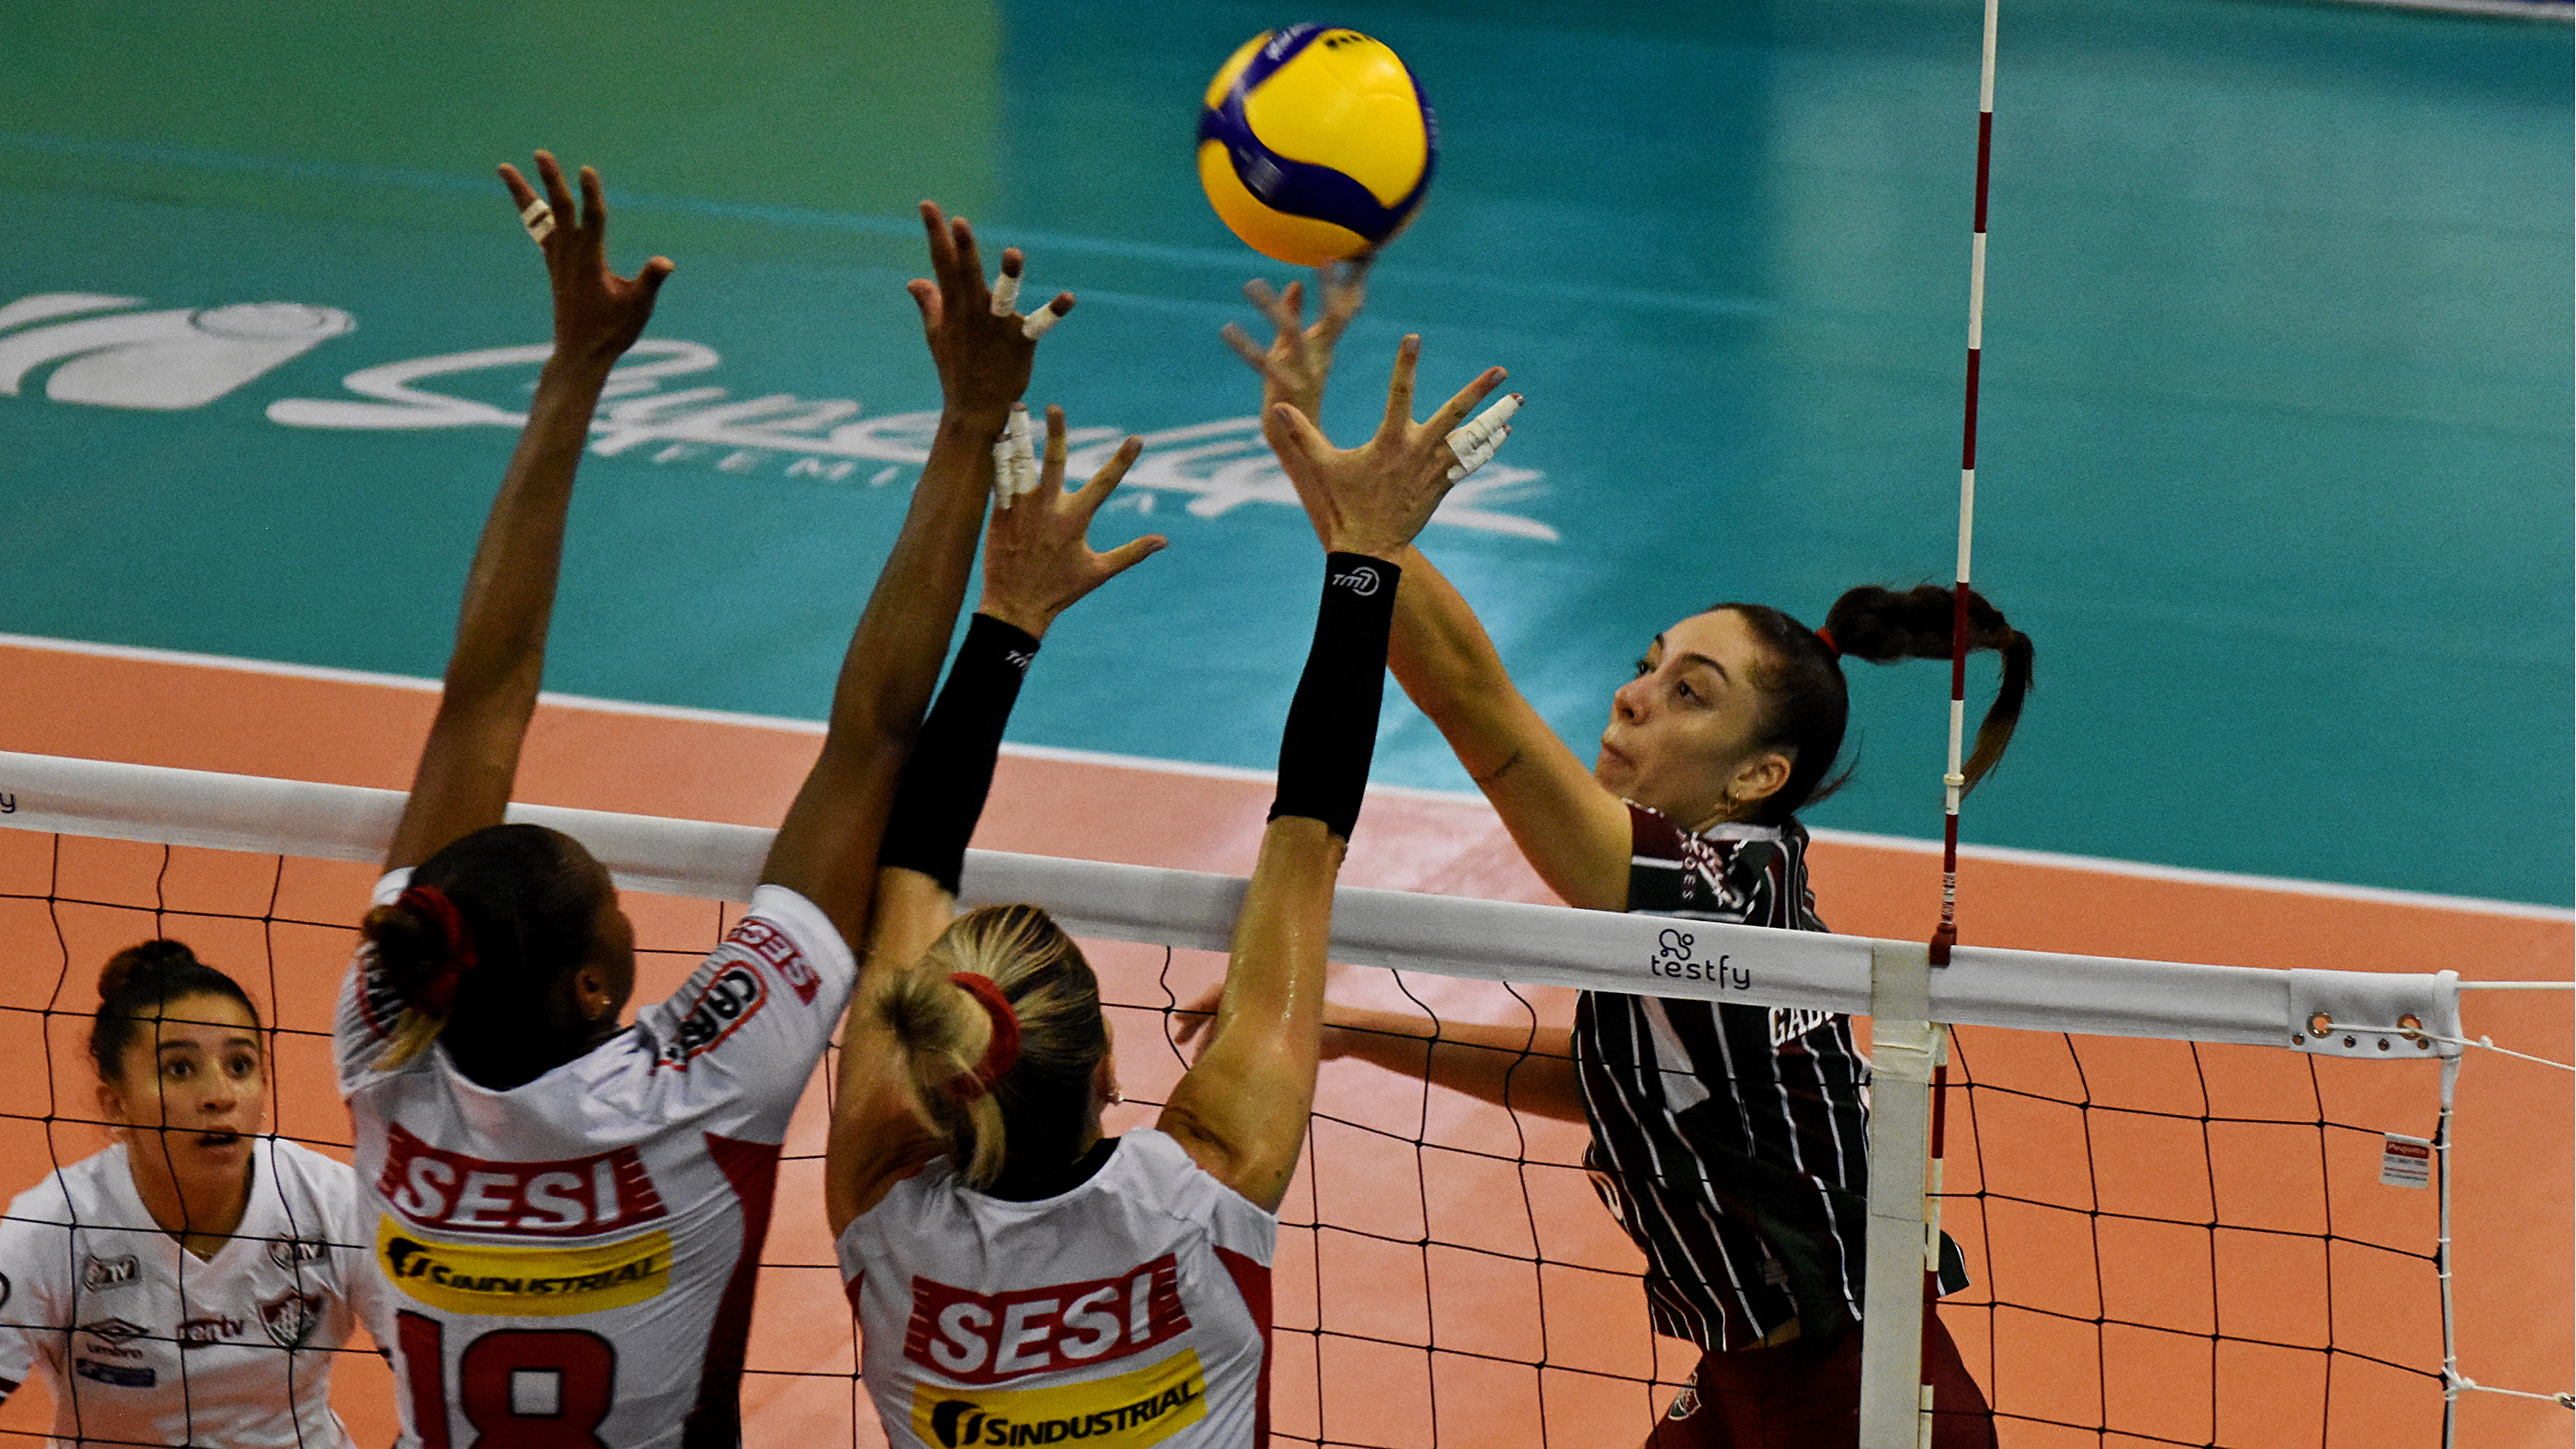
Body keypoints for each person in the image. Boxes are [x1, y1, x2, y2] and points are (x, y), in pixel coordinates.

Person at [335, 150, 1072, 1449]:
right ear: (592, 987)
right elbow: (872, 740)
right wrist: (968, 424)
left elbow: (482, 697)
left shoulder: (387, 1038)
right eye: (612, 904)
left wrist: (570, 371)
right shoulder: (700, 1085)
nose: (627, 909)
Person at [1217, 269, 2026, 1449]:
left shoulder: (1711, 892)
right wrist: (1340, 1030)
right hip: (1754, 1377)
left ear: (1759, 773)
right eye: (1649, 664)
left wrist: (1352, 519)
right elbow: (1623, 1080)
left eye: (1687, 693)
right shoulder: (1731, 891)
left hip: (1857, 1403)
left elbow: (1478, 711)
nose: (1634, 696)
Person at [824, 339, 1509, 1448]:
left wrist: (1004, 623)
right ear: (1107, 1068)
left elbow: (908, 864)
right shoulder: (1209, 1191)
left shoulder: (878, 1201)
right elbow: (1307, 840)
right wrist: (1366, 552)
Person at [0, 941, 381, 1449]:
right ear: (116, 1105)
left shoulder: (332, 1204)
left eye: (240, 1066)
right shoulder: (52, 1226)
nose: (220, 1095)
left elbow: (439, 1379)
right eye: (179, 1068)